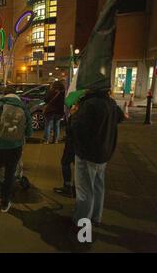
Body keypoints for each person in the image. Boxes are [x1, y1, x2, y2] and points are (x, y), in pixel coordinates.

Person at [71, 90, 124, 226]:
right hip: (104, 153)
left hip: (87, 153)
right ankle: (96, 217)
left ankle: (82, 223)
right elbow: (120, 117)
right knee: (98, 186)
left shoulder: (89, 104)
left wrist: (73, 114)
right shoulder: (110, 102)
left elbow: (77, 128)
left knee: (84, 190)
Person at [0, 93, 32, 213]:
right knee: (10, 174)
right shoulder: (24, 108)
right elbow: (29, 132)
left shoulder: (0, 105)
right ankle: (4, 203)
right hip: (15, 148)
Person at [53, 103, 78, 197]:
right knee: (76, 165)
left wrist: (72, 116)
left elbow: (70, 129)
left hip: (73, 144)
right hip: (79, 145)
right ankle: (74, 188)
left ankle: (68, 187)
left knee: (65, 162)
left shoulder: (78, 114)